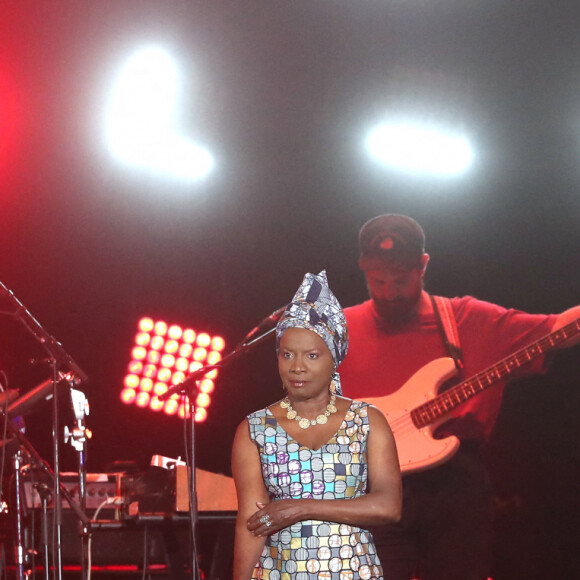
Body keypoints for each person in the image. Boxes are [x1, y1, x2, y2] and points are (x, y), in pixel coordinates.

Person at [338, 214, 580, 580]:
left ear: (423, 265)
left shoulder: (465, 318)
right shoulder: (337, 329)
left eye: (400, 281)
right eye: (377, 281)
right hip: (371, 486)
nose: (388, 292)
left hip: (454, 487)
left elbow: (556, 328)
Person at [232, 270, 402, 580]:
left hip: (354, 573)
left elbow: (389, 506)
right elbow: (251, 524)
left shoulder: (366, 420)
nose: (297, 367)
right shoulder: (254, 429)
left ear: (334, 358)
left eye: (312, 355)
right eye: (287, 355)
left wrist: (303, 507)